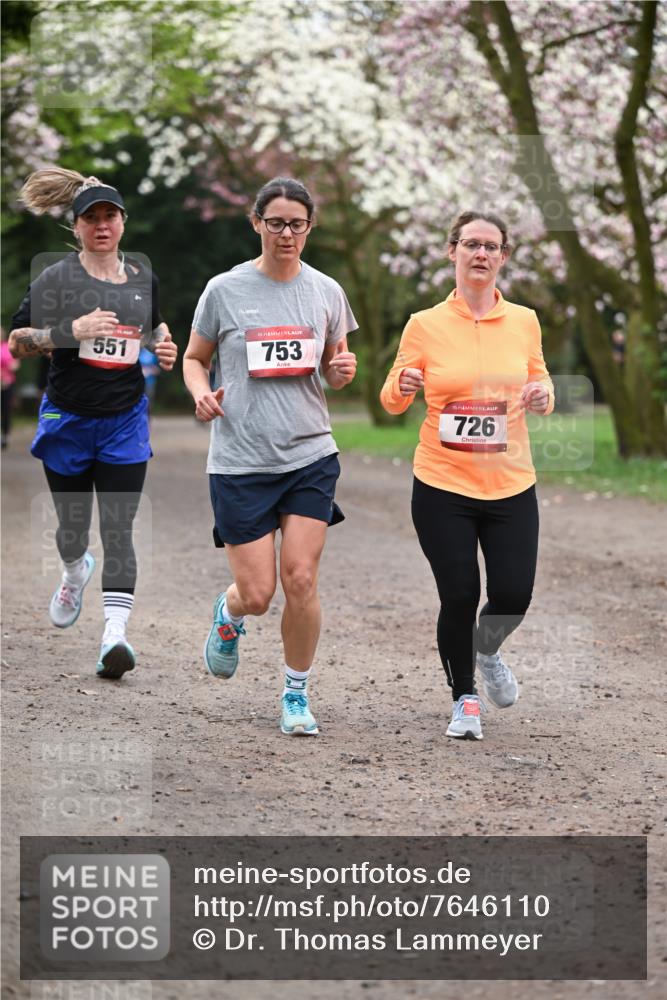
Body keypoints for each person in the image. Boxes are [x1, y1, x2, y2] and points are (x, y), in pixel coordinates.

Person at [183, 176, 357, 736]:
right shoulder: (223, 290)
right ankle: (230, 614)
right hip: (240, 459)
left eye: (297, 224)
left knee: (301, 578)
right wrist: (200, 393)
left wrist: (340, 371)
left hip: (309, 452)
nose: (287, 233)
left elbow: (335, 364)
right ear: (256, 223)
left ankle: (296, 694)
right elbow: (194, 357)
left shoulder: (327, 291)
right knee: (259, 595)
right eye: (276, 222)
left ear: (310, 228)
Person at [380, 210, 554, 741]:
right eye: (471, 244)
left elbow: (539, 378)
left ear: (502, 257)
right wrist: (404, 382)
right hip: (442, 483)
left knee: (513, 595)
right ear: (452, 251)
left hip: (510, 483)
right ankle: (465, 699)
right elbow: (390, 398)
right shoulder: (424, 324)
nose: (480, 254)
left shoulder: (524, 320)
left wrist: (543, 394)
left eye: (491, 246)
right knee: (458, 593)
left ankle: (488, 649)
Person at [9, 167, 178, 679]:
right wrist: (69, 330)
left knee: (120, 527)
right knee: (72, 529)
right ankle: (73, 570)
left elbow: (152, 328)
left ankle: (114, 636)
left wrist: (163, 346)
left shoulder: (142, 277)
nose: (101, 225)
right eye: (91, 218)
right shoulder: (57, 278)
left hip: (124, 420)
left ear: (122, 222)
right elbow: (17, 340)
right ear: (77, 226)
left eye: (110, 216)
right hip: (68, 417)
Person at [1, 326, 20, 449]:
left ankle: (5, 435)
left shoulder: (8, 347)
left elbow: (15, 364)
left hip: (7, 383)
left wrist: (8, 369)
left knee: (6, 409)